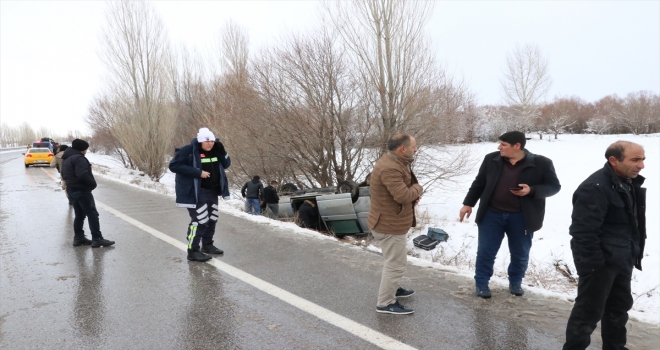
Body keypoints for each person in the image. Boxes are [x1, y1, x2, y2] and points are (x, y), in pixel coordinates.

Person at [563, 141, 647, 350]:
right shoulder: (595, 187)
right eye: (635, 160)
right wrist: (595, 265)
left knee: (618, 309)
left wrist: (632, 253)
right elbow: (583, 232)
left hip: (622, 258)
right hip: (600, 262)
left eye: (643, 159)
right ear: (613, 160)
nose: (641, 165)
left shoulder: (627, 182)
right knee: (588, 313)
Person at [459, 131, 560, 298]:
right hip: (491, 215)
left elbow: (554, 186)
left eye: (503, 145)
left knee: (520, 254)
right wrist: (468, 203)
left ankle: (515, 282)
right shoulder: (491, 159)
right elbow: (479, 183)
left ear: (517, 146)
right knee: (486, 252)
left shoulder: (541, 163)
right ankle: (482, 283)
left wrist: (532, 190)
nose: (499, 147)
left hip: (522, 218)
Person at [368, 134, 423, 315]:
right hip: (388, 225)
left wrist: (412, 191)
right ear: (402, 149)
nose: (416, 149)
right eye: (414, 146)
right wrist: (418, 189)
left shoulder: (394, 161)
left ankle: (392, 288)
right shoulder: (390, 168)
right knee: (396, 264)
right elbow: (403, 195)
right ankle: (385, 303)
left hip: (389, 221)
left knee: (392, 260)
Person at [169, 127, 231, 262]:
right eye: (206, 141)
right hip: (196, 192)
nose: (210, 143)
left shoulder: (216, 149)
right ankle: (193, 251)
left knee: (212, 219)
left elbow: (226, 164)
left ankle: (207, 245)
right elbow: (174, 166)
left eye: (212, 141)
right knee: (200, 221)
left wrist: (222, 150)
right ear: (200, 141)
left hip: (213, 191)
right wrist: (198, 172)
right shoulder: (189, 150)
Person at [61, 139, 115, 248]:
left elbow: (63, 173)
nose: (86, 151)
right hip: (81, 191)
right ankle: (97, 238)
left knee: (79, 215)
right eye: (86, 148)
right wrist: (92, 184)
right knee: (92, 214)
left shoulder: (66, 158)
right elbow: (82, 174)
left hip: (71, 190)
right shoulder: (79, 158)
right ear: (82, 149)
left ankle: (79, 238)